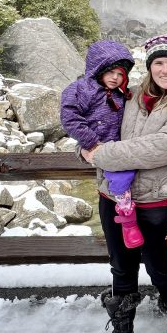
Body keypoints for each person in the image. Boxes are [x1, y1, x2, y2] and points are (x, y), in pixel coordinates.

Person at [80, 35, 167, 333]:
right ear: (150, 66)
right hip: (114, 197)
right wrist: (86, 146)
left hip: (155, 201)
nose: (165, 69)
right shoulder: (130, 95)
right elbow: (95, 123)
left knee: (161, 268)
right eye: (159, 63)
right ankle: (122, 332)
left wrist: (102, 155)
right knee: (121, 267)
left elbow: (166, 146)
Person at [60, 40, 143, 248]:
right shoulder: (79, 89)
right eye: (111, 73)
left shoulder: (119, 94)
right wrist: (90, 143)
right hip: (99, 147)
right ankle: (128, 221)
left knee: (129, 176)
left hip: (117, 147)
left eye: (121, 74)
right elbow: (70, 118)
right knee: (121, 182)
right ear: (99, 69)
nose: (116, 78)